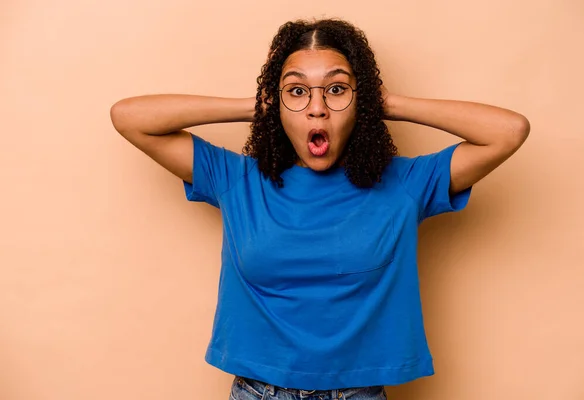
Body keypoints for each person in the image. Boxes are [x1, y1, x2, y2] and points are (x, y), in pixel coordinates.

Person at [110, 17, 530, 400]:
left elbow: (508, 131)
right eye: (296, 91)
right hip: (258, 393)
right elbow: (129, 117)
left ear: (358, 99)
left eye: (336, 89)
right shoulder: (236, 178)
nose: (316, 107)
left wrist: (387, 103)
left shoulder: (405, 184)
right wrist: (257, 107)